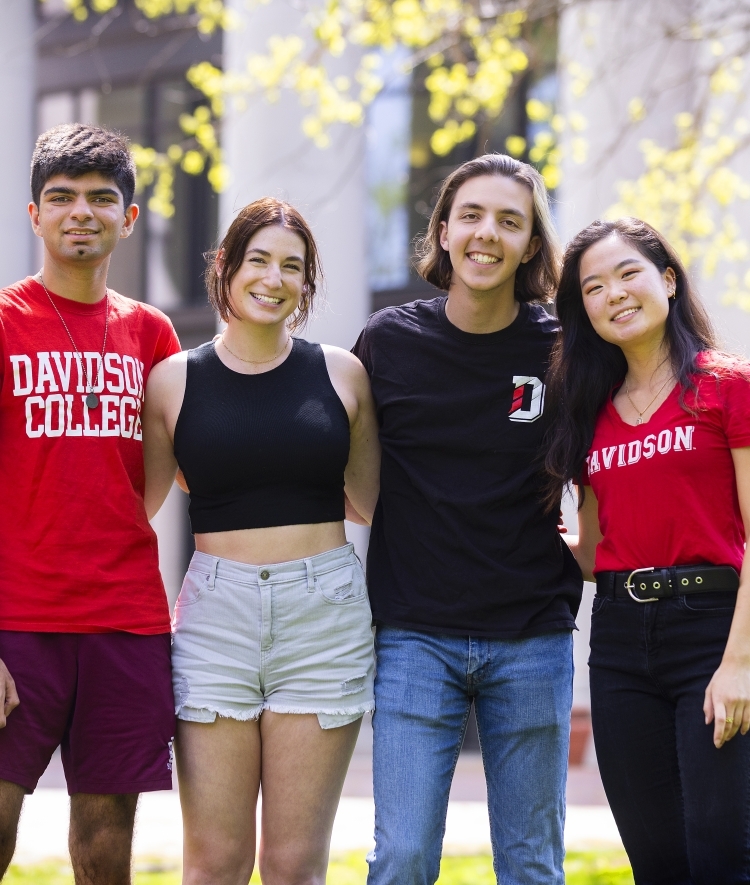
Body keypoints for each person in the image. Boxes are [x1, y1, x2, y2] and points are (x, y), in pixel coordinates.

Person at [351, 154, 583, 885]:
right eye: (473, 216)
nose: (488, 234)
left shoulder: (562, 350)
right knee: (405, 856)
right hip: (417, 635)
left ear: (531, 246)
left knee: (532, 864)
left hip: (534, 637)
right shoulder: (387, 342)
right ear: (444, 231)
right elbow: (351, 479)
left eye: (510, 221)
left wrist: (597, 547)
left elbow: (606, 461)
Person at [142, 196, 380, 885]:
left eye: (293, 267)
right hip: (216, 617)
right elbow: (140, 509)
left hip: (324, 615)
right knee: (214, 862)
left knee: (293, 865)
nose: (274, 278)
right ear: (225, 266)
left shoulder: (341, 374)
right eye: (258, 260)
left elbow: (371, 501)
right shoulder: (172, 382)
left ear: (307, 283)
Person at [544, 217, 750, 883]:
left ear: (666, 279)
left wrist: (740, 664)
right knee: (656, 859)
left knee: (720, 851)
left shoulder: (727, 385)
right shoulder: (589, 409)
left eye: (627, 272)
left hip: (714, 632)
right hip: (621, 641)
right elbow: (597, 546)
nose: (614, 293)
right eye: (594, 287)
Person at [0, 124, 181, 880]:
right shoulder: (5, 322)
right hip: (17, 622)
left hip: (126, 621)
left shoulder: (152, 333)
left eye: (102, 199)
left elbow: (165, 474)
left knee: (105, 845)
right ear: (34, 215)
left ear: (128, 218)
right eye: (62, 197)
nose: (83, 212)